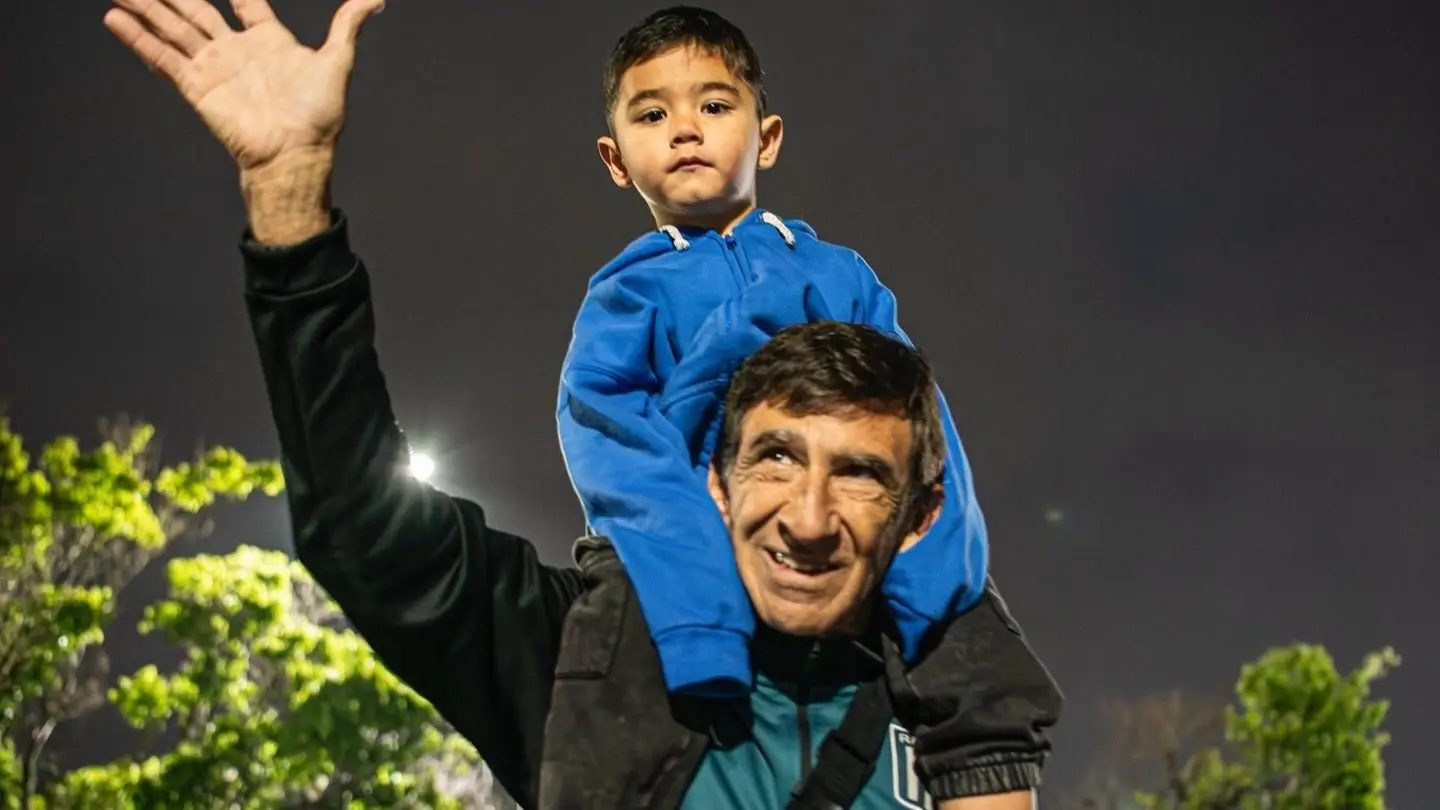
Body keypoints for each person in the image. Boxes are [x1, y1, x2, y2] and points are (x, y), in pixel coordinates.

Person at [100, 2, 1063, 808]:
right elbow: (376, 523)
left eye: (856, 471)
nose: (808, 517)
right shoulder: (587, 663)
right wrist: (288, 195)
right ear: (716, 477)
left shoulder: (955, 683)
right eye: (772, 458)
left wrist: (947, 599)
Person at [560, 6, 991, 698]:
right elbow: (617, 453)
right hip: (696, 588)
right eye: (650, 116)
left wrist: (926, 590)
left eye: (714, 103)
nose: (686, 129)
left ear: (767, 139)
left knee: (986, 670)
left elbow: (922, 426)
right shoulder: (622, 297)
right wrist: (702, 615)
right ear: (615, 159)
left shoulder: (839, 276)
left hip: (839, 558)